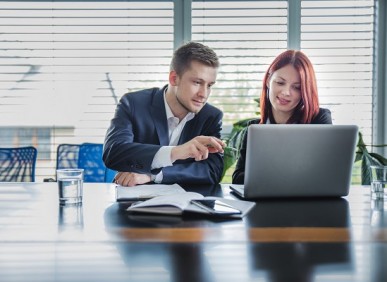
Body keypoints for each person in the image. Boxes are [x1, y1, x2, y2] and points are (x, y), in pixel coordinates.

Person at [103, 41, 226, 186]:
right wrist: (175, 152)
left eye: (209, 85)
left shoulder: (211, 116)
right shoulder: (134, 104)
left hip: (186, 203)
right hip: (131, 200)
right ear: (174, 78)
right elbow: (114, 152)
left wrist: (153, 176)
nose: (204, 94)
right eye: (197, 82)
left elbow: (212, 171)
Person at [232, 49, 332, 184]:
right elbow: (238, 179)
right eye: (280, 82)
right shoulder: (254, 128)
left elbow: (326, 174)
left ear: (304, 92)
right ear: (268, 80)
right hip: (265, 202)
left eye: (296, 87)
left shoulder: (318, 119)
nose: (286, 92)